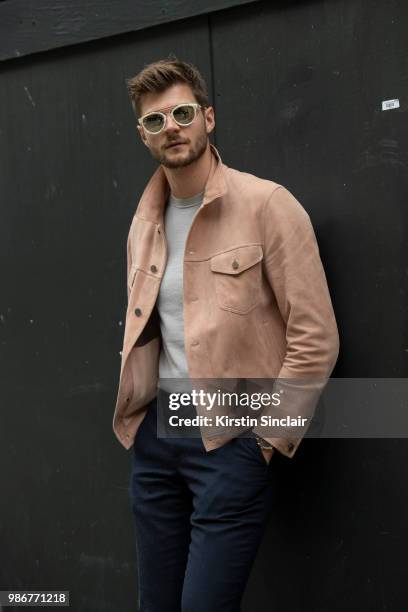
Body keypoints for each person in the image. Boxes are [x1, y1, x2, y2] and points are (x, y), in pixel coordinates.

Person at [113, 56, 339, 611]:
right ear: (143, 135)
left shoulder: (268, 205)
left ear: (208, 118)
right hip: (159, 439)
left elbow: (315, 337)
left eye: (183, 113)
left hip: (232, 441)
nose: (172, 128)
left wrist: (263, 444)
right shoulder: (144, 223)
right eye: (155, 121)